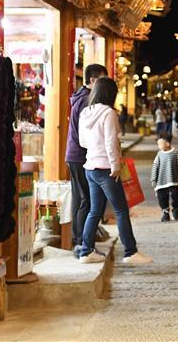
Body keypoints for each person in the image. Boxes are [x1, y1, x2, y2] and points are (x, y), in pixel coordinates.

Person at [78, 77, 152, 265]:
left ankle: (86, 251)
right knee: (121, 210)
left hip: (91, 167)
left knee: (95, 210)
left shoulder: (85, 112)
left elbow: (82, 142)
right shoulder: (109, 113)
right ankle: (130, 251)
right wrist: (116, 166)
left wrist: (96, 148)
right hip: (106, 168)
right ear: (110, 94)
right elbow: (111, 142)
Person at [65, 63, 107, 252]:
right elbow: (86, 135)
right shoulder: (85, 101)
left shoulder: (80, 97)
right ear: (92, 80)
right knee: (86, 200)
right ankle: (82, 243)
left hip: (75, 154)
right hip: (80, 155)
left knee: (81, 199)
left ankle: (80, 239)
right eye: (102, 80)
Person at [150, 132, 178, 222]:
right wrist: (153, 179)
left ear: (167, 144)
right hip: (161, 181)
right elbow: (155, 166)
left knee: (176, 196)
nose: (158, 146)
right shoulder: (159, 155)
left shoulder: (176, 153)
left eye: (160, 144)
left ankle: (175, 208)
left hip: (173, 180)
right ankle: (165, 212)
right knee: (162, 197)